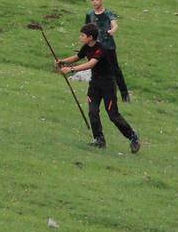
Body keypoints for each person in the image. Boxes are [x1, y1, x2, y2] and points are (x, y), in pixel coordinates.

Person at [57, 23, 140, 152]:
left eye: (82, 35)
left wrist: (71, 69)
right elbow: (77, 57)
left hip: (108, 85)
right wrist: (63, 61)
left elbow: (91, 64)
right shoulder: (86, 47)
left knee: (113, 115)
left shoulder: (101, 49)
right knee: (93, 112)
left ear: (90, 37)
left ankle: (132, 136)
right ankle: (99, 140)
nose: (80, 37)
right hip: (95, 84)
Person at [85, 0, 129, 102]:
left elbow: (114, 24)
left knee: (115, 70)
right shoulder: (89, 14)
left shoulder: (108, 13)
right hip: (96, 47)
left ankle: (124, 93)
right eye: (92, 0)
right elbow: (87, 30)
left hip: (108, 47)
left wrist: (112, 30)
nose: (95, 2)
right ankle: (100, 93)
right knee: (97, 70)